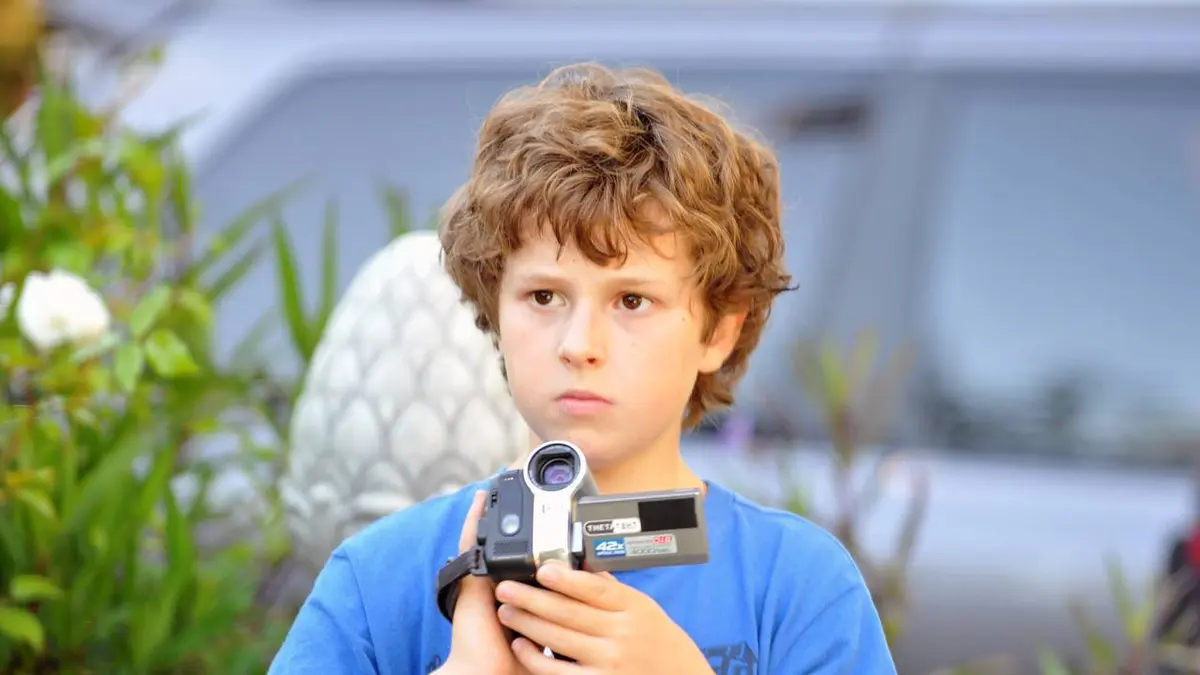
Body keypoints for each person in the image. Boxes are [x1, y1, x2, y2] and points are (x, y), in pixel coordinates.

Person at [268, 62, 896, 675]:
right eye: (544, 296)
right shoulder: (378, 580)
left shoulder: (798, 588)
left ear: (718, 332)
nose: (579, 344)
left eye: (633, 301)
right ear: (495, 310)